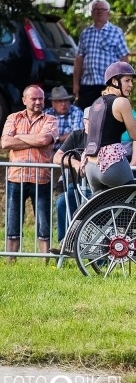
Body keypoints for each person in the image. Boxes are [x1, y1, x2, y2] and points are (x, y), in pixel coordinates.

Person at [2, 85, 59, 257]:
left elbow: (44, 140)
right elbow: (5, 143)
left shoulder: (51, 119)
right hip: (16, 176)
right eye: (34, 99)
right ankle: (10, 260)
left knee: (44, 223)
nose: (38, 102)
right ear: (24, 100)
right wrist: (33, 140)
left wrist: (18, 137)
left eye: (41, 98)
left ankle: (44, 261)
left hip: (40, 177)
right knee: (12, 222)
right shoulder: (13, 117)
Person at [83, 62, 136, 192]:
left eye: (131, 81)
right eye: (127, 80)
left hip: (90, 165)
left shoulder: (96, 103)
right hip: (111, 163)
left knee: (103, 203)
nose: (131, 85)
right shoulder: (121, 102)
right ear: (115, 81)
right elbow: (134, 135)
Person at [73, 0, 130, 109]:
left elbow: (124, 59)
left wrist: (123, 83)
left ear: (108, 13)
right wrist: (75, 84)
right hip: (87, 84)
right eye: (96, 9)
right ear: (91, 13)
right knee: (86, 115)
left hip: (108, 84)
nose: (99, 12)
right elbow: (79, 60)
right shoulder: (85, 34)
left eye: (102, 9)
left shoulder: (116, 32)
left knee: (108, 115)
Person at [52, 107, 91, 251]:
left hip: (99, 186)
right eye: (92, 120)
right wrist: (74, 162)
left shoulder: (105, 137)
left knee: (95, 211)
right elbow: (57, 157)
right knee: (62, 202)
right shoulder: (76, 136)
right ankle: (65, 244)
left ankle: (99, 253)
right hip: (78, 186)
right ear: (85, 121)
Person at [44, 86, 83, 151]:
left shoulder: (76, 112)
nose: (63, 104)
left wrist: (56, 139)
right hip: (49, 151)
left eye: (66, 100)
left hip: (69, 152)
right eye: (60, 101)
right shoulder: (47, 113)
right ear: (53, 104)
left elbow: (76, 134)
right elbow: (42, 135)